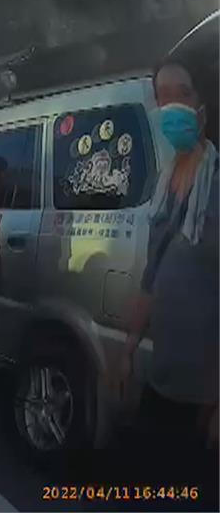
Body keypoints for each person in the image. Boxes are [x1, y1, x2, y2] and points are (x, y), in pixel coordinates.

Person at [118, 58, 218, 505]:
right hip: (162, 380)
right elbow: (150, 277)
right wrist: (127, 350)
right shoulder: (164, 186)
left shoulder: (217, 186)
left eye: (182, 94)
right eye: (162, 97)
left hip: (205, 395)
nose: (171, 106)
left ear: (201, 110)